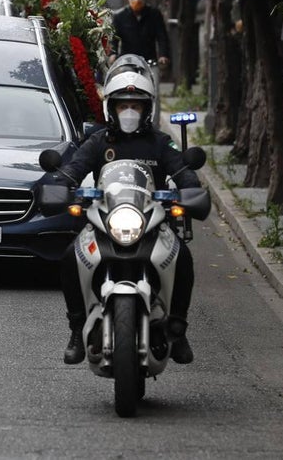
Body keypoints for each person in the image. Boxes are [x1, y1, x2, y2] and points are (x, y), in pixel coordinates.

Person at [50, 71, 199, 365]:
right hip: (105, 222)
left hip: (152, 223)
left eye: (136, 105)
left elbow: (183, 173)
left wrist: (192, 191)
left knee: (183, 257)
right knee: (69, 257)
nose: (129, 112)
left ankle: (178, 329)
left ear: (147, 109)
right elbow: (73, 170)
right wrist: (58, 187)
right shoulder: (97, 142)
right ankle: (77, 328)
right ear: (111, 108)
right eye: (122, 105)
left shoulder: (160, 143)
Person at [110, 0, 170, 69]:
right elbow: (113, 38)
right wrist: (112, 54)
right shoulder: (119, 16)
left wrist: (163, 55)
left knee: (152, 81)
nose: (136, 0)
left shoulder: (154, 14)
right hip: (127, 62)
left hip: (149, 62)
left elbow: (162, 37)